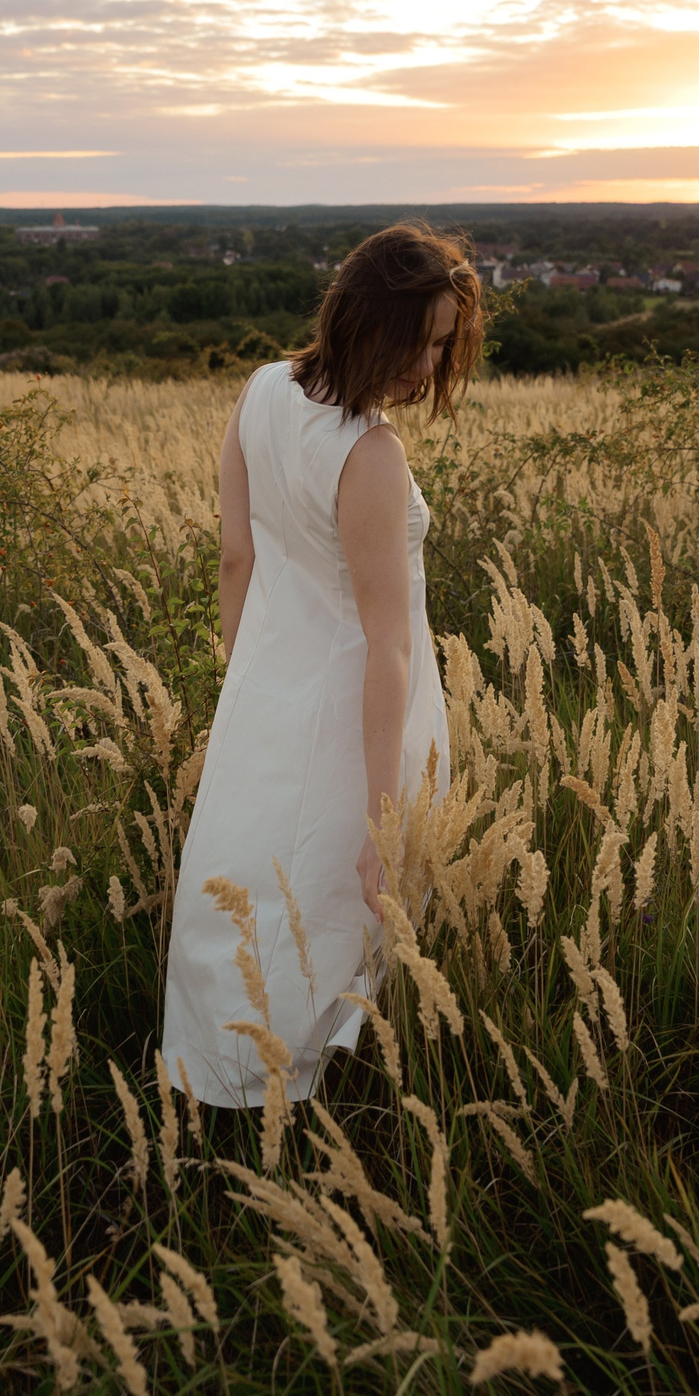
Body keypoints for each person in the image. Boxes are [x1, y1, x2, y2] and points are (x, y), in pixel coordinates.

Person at [158, 223, 486, 1110]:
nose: (427, 366)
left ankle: (218, 1081)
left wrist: (247, 685)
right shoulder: (369, 454)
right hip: (354, 715)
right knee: (321, 907)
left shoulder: (261, 389)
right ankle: (293, 1109)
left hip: (268, 689)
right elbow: (388, 642)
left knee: (249, 886)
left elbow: (237, 559)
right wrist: (385, 816)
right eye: (418, 340)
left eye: (442, 344)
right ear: (365, 321)